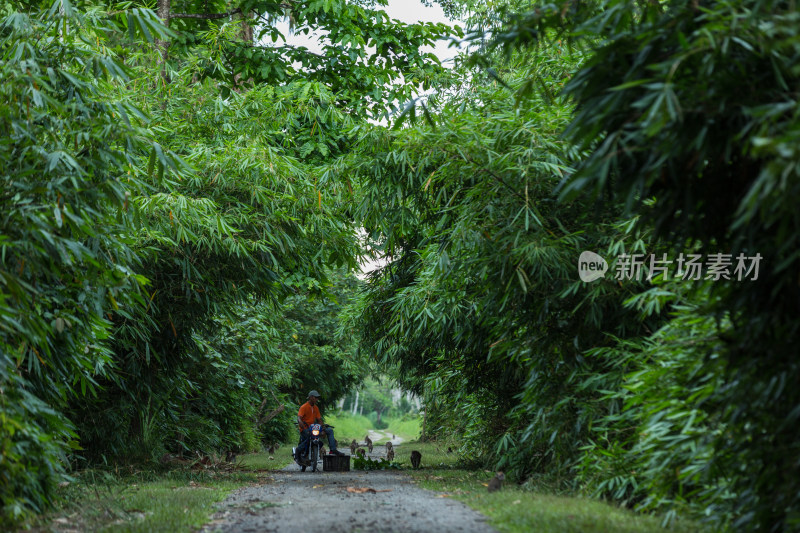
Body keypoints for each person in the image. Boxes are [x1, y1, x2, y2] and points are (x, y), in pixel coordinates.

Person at [297, 390, 344, 463]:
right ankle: (298, 451)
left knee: (329, 430)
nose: (317, 399)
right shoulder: (303, 407)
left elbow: (319, 419)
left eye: (317, 398)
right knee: (308, 438)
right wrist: (302, 426)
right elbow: (299, 418)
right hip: (305, 429)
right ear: (311, 397)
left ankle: (333, 449)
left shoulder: (316, 408)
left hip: (313, 428)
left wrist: (322, 427)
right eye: (316, 398)